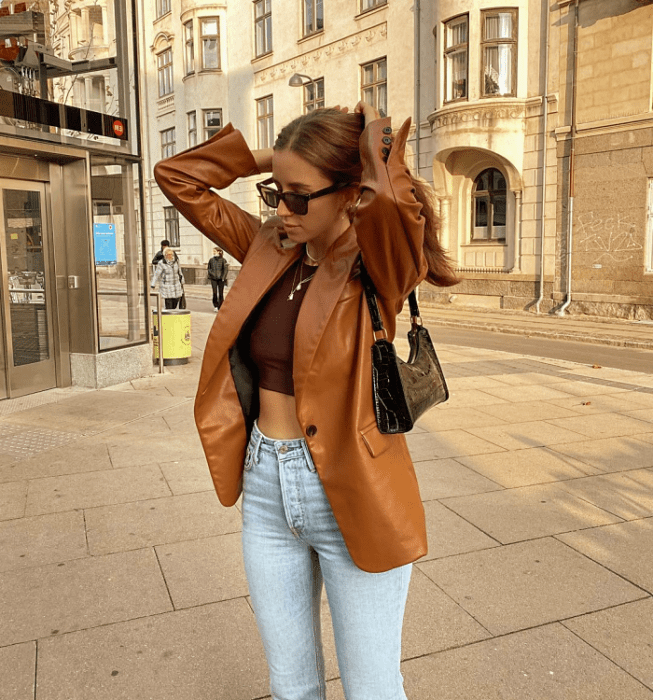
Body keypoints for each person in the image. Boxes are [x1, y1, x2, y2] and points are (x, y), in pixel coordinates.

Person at [154, 101, 458, 700]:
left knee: (371, 688)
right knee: (291, 685)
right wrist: (279, 155)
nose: (282, 208)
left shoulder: (377, 266)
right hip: (266, 484)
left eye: (299, 196)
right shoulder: (269, 243)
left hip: (354, 486)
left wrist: (364, 148)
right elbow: (178, 176)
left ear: (348, 193)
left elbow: (394, 203)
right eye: (275, 192)